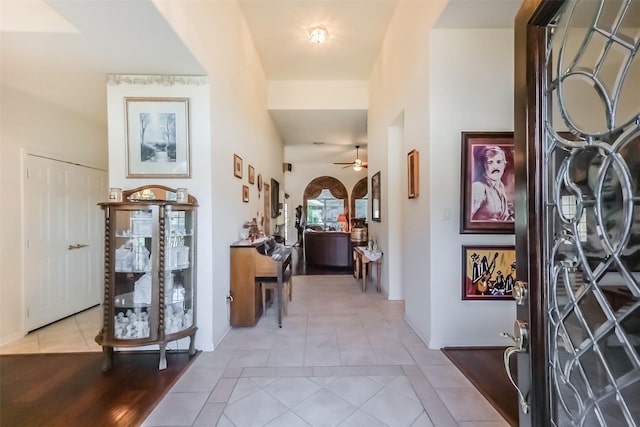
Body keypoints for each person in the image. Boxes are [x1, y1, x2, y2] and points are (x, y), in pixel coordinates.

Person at [471, 146, 514, 222]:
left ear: (504, 164)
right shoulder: (478, 187)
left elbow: (504, 218)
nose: (495, 167)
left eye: (499, 162)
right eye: (490, 162)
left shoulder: (500, 185)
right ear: (483, 165)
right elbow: (468, 219)